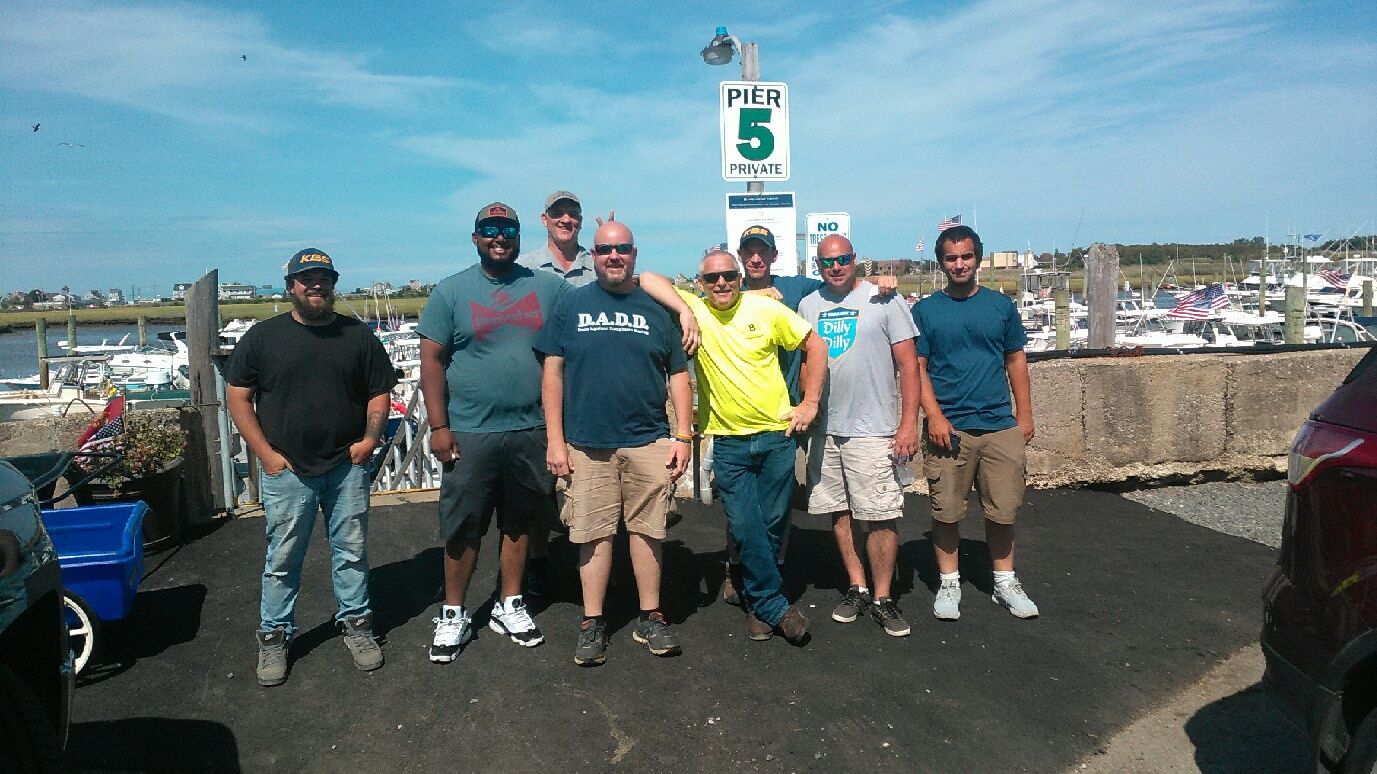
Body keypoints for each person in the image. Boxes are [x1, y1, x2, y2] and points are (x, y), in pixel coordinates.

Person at [225, 248, 397, 687]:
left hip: (347, 467)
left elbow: (379, 392)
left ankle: (357, 625)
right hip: (288, 471)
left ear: (334, 284)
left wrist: (370, 440)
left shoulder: (357, 336)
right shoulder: (263, 338)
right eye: (307, 279)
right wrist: (265, 454)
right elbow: (238, 397)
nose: (316, 285)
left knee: (352, 553)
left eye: (324, 278)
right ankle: (274, 636)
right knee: (282, 559)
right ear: (291, 287)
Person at [641, 253, 827, 645]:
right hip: (728, 443)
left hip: (777, 435)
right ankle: (775, 605)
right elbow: (647, 277)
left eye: (728, 275)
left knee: (774, 524)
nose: (721, 283)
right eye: (712, 278)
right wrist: (684, 310)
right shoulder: (695, 309)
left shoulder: (766, 308)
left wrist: (809, 402)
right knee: (745, 525)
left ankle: (759, 605)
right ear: (701, 282)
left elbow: (815, 344)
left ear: (740, 277)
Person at [535, 221, 693, 666]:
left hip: (648, 440)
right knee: (592, 535)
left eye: (622, 249)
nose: (614, 256)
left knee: (649, 532)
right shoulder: (572, 304)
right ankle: (593, 622)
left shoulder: (656, 309)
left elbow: (678, 374)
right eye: (605, 249)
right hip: (586, 444)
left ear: (635, 253)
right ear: (595, 254)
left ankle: (650, 616)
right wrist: (555, 440)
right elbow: (553, 373)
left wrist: (683, 435)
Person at [418, 202, 569, 661]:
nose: (499, 237)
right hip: (470, 431)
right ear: (475, 237)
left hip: (531, 428)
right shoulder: (451, 291)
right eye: (489, 229)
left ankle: (509, 602)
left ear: (520, 237)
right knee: (464, 525)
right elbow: (431, 363)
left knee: (520, 522)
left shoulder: (547, 287)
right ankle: (454, 612)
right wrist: (439, 426)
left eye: (508, 229)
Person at [912, 225, 1039, 621]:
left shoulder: (1001, 308)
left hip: (999, 425)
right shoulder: (926, 311)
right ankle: (949, 582)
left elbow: (1015, 359)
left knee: (1002, 512)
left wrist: (1025, 413)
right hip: (949, 427)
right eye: (951, 258)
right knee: (946, 511)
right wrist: (933, 415)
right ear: (941, 263)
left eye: (966, 256)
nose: (959, 264)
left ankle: (1005, 582)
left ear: (977, 259)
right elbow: (918, 368)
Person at [798, 235, 921, 637]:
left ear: (855, 260)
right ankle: (857, 586)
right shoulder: (808, 305)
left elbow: (909, 366)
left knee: (881, 514)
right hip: (826, 430)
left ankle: (884, 597)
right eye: (827, 261)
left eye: (843, 259)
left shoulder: (884, 300)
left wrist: (907, 425)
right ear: (817, 266)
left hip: (875, 429)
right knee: (840, 510)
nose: (835, 267)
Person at [515, 190, 595, 596]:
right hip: (538, 383)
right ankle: (538, 560)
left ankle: (601, 558)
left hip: (588, 388)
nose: (567, 219)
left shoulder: (597, 262)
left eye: (573, 213)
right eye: (558, 213)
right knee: (537, 481)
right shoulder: (525, 267)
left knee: (594, 474)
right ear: (544, 219)